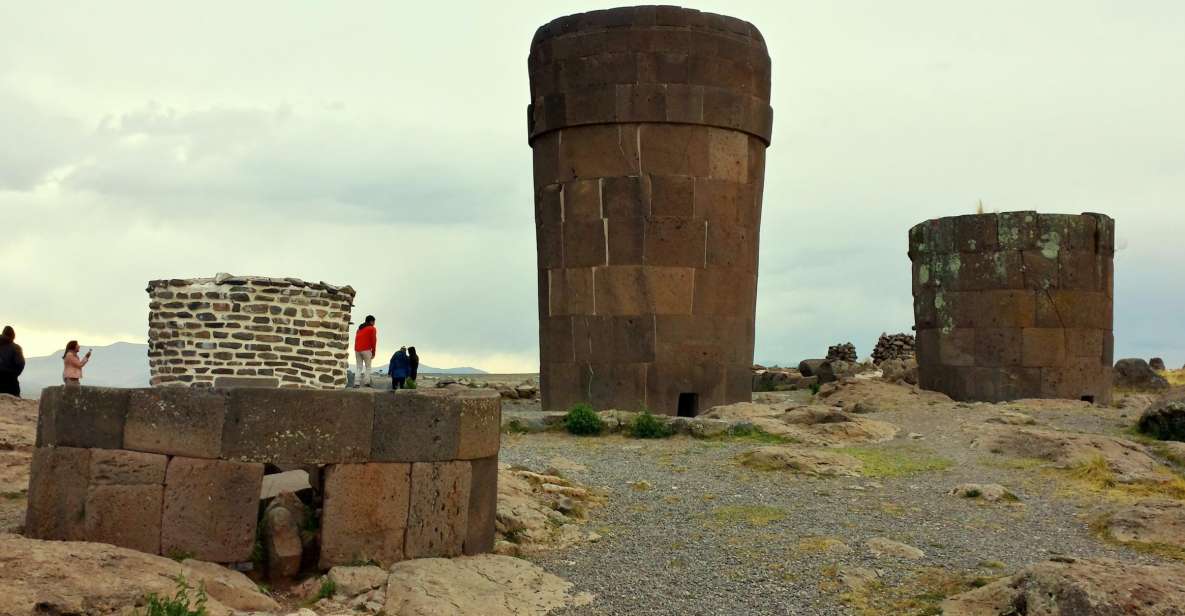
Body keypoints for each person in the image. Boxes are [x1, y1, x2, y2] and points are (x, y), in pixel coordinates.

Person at [0, 326, 25, 398]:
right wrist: (14, 375)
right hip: (10, 381)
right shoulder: (15, 348)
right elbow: (20, 364)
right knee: (14, 399)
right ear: (13, 336)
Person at [353, 315, 377, 387]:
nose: (374, 323)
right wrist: (373, 351)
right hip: (366, 349)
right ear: (371, 321)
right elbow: (373, 341)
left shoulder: (359, 329)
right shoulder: (372, 329)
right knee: (368, 367)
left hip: (357, 349)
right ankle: (367, 382)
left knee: (359, 367)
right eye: (374, 321)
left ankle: (356, 383)